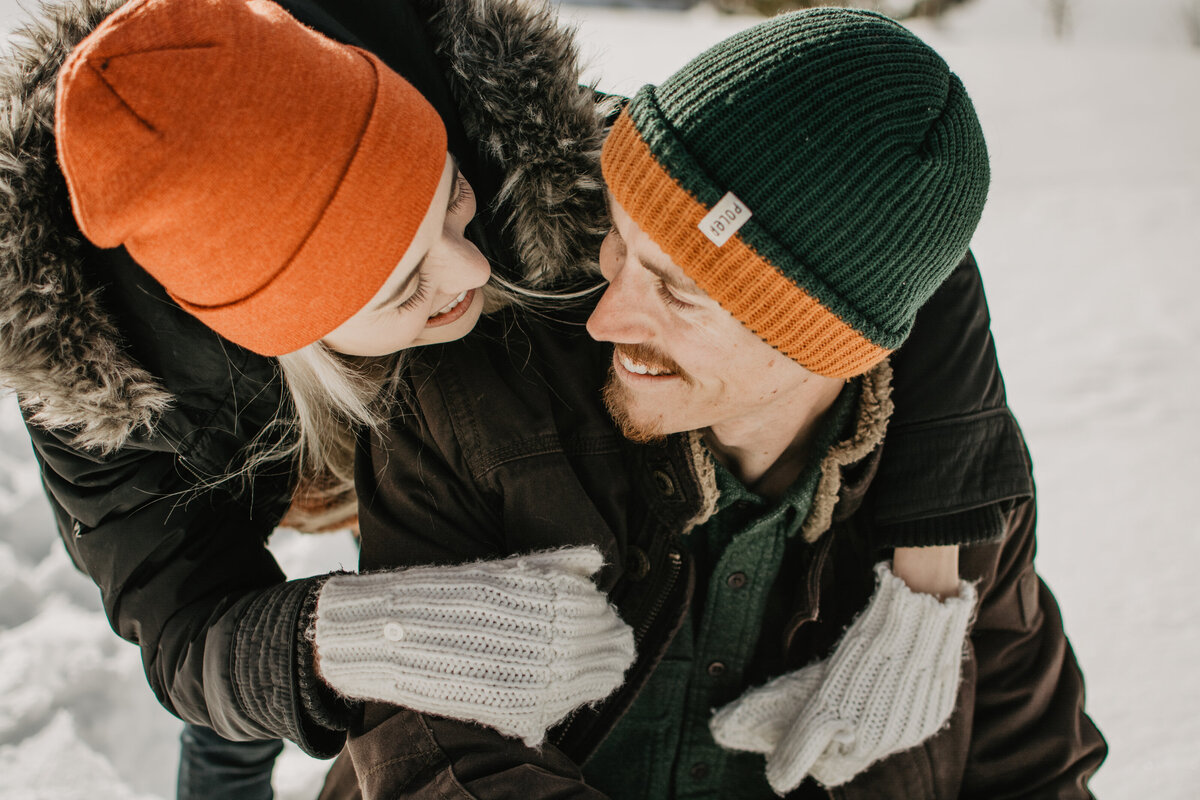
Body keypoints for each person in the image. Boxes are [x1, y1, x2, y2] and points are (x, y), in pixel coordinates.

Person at [319, 8, 1107, 799]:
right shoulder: (477, 402)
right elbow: (428, 749)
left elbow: (1032, 767)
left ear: (828, 341)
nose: (606, 316)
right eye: (619, 244)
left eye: (678, 291)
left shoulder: (958, 502)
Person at [0, 0, 632, 797]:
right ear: (290, 332)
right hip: (257, 443)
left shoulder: (492, 119)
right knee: (253, 674)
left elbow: (744, 224)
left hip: (439, 415)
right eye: (404, 283)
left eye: (452, 200)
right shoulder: (108, 381)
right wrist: (331, 645)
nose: (471, 270)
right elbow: (186, 617)